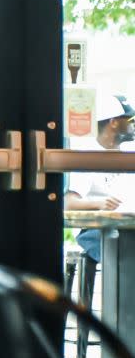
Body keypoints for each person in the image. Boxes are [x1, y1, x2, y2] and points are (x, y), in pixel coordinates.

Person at [68, 91, 134, 270]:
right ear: (113, 122)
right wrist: (100, 203)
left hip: (129, 226)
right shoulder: (89, 154)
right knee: (124, 249)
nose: (133, 125)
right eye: (130, 121)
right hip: (98, 229)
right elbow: (68, 202)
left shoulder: (130, 152)